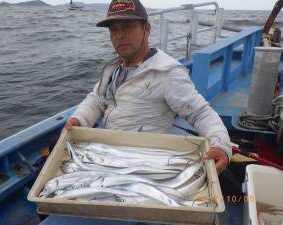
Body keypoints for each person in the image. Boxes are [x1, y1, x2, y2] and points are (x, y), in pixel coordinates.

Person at [65, 0, 232, 174]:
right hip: (110, 152)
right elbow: (96, 99)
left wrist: (220, 145)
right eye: (113, 29)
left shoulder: (167, 72)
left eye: (127, 26)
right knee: (57, 142)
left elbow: (200, 113)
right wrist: (78, 119)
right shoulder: (115, 68)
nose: (119, 35)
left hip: (142, 160)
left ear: (147, 29)